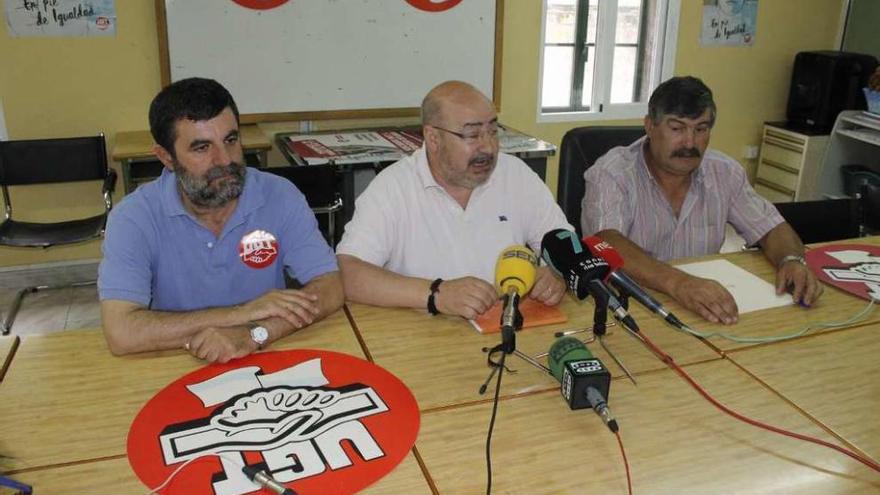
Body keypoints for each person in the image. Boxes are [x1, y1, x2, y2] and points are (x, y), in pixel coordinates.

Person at [98, 78, 343, 362]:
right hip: (175, 360)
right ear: (166, 157)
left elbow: (330, 285)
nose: (225, 160)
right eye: (202, 148)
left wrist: (256, 333)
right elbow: (122, 333)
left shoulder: (279, 195)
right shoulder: (133, 218)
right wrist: (241, 314)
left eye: (231, 140)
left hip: (263, 350)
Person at [581, 76, 822, 325]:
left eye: (701, 129)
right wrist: (679, 283)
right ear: (650, 126)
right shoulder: (612, 173)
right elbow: (605, 242)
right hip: (631, 307)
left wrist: (791, 260)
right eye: (677, 129)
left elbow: (771, 227)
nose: (690, 142)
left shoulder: (724, 172)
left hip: (705, 307)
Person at [336, 81, 571, 319]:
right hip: (423, 335)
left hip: (507, 326)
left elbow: (567, 245)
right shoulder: (393, 187)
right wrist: (437, 295)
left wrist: (557, 272)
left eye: (492, 131)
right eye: (472, 135)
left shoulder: (515, 175)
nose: (488, 147)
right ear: (433, 138)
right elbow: (348, 273)